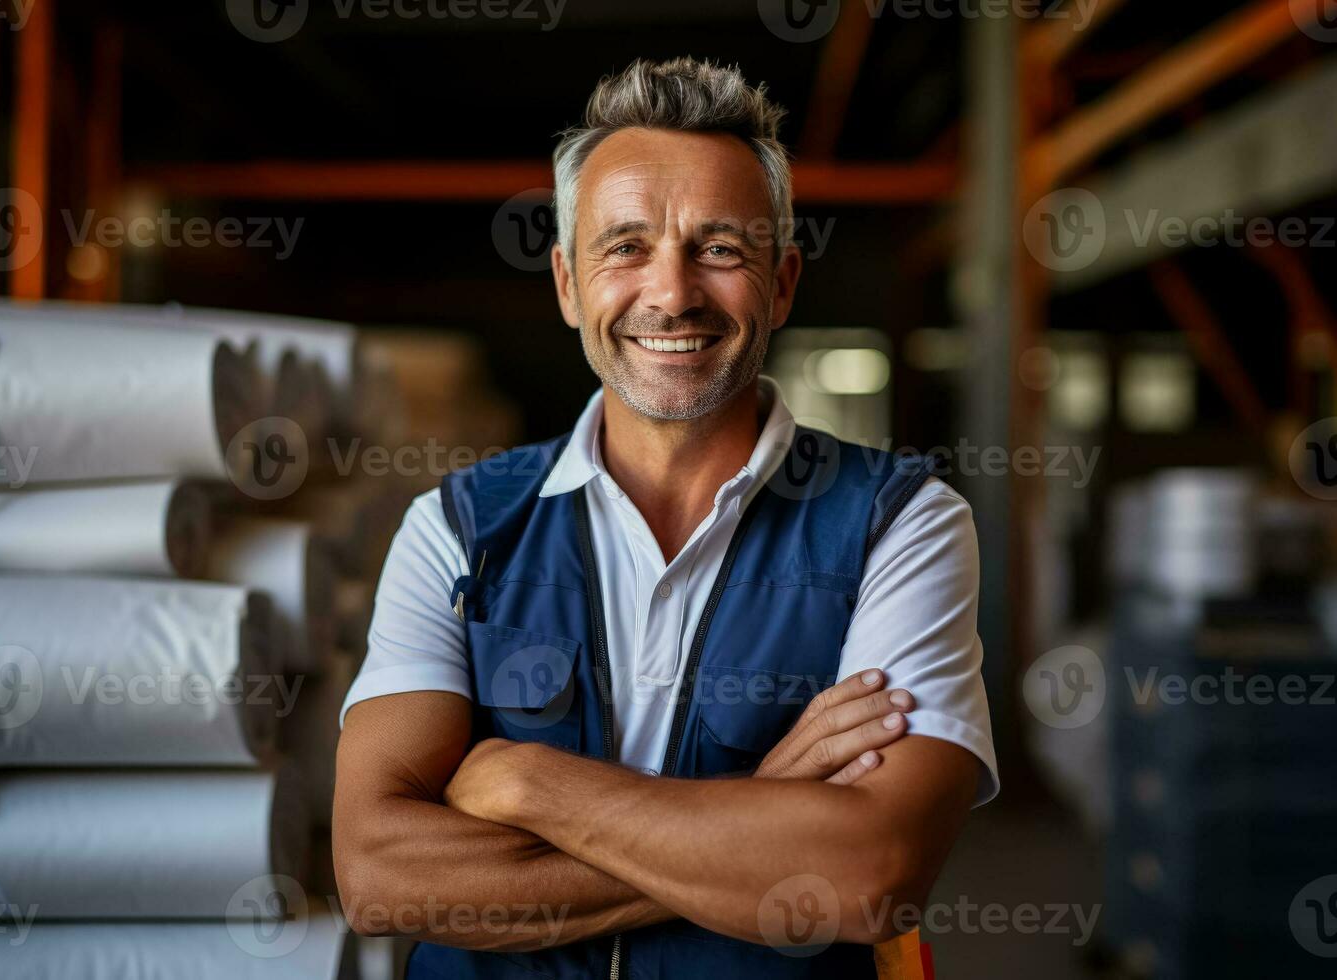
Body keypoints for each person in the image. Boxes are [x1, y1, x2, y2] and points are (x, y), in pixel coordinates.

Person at [333, 56, 998, 979]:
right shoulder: (457, 530)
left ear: (783, 283)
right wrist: (758, 806)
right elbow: (379, 874)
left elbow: (868, 875)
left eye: (720, 248)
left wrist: (524, 782)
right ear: (569, 284)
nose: (673, 292)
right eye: (626, 247)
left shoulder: (900, 525)